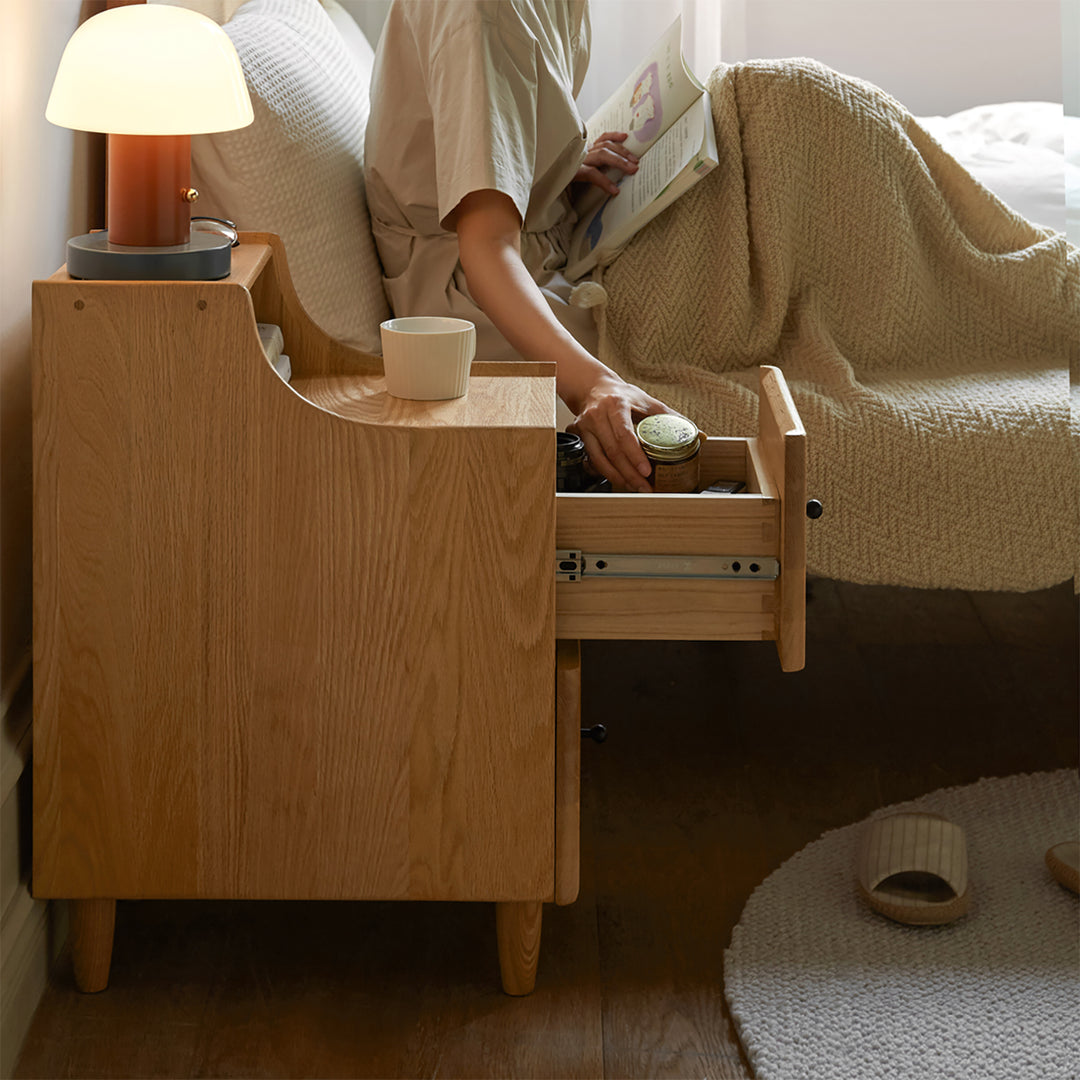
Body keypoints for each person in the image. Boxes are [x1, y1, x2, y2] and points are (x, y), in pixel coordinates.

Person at [363, 0, 671, 493]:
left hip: (541, 229)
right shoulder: (481, 14)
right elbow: (484, 247)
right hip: (484, 291)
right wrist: (591, 384)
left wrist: (551, 170)